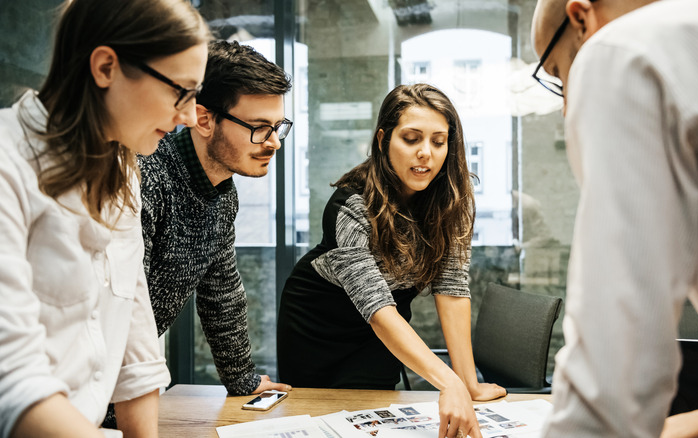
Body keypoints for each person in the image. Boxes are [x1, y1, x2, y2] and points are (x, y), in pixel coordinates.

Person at [529, 0, 698, 436]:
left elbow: (611, 390)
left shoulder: (620, 53)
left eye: (558, 75)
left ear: (582, 18)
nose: (568, 107)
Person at [0, 0, 210, 436]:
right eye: (181, 91)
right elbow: (13, 384)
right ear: (105, 67)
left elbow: (134, 326)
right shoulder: (8, 164)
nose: (189, 116)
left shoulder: (122, 166)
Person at [277, 84, 506, 438]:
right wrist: (448, 383)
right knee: (318, 423)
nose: (425, 153)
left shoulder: (453, 201)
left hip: (384, 331)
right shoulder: (351, 205)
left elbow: (452, 289)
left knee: (373, 425)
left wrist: (468, 383)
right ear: (384, 140)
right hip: (318, 322)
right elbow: (375, 305)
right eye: (411, 139)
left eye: (438, 141)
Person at [139, 40, 293, 395]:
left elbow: (221, 291)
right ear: (204, 119)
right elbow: (123, 312)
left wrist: (242, 379)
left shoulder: (223, 193)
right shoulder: (149, 178)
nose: (274, 143)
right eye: (259, 127)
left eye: (278, 126)